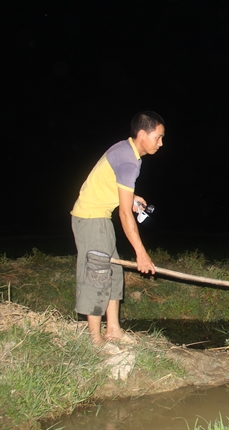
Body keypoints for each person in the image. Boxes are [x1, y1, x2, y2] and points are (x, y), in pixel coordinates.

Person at [70, 111, 165, 345]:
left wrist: (131, 199)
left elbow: (109, 183)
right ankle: (95, 340)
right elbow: (124, 214)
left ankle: (113, 329)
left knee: (113, 273)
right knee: (98, 276)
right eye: (158, 137)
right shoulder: (129, 160)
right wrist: (141, 254)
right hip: (91, 219)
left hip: (98, 217)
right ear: (143, 134)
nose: (161, 143)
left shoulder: (126, 150)